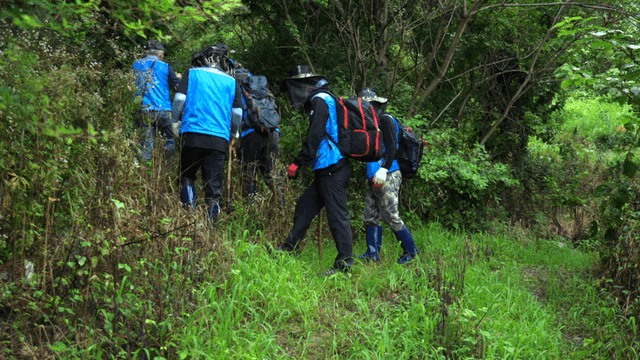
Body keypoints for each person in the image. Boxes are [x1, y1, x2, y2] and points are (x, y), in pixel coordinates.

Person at [277, 65, 354, 277]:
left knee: (337, 217)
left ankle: (344, 266)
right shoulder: (326, 99)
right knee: (305, 205)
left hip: (333, 167)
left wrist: (297, 163)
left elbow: (315, 135)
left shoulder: (320, 100)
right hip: (325, 169)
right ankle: (288, 249)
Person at [170, 45, 243, 223]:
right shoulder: (232, 82)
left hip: (192, 134)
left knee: (187, 176)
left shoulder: (192, 73)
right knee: (213, 187)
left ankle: (190, 217)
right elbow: (238, 114)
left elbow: (179, 99)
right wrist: (234, 133)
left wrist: (174, 122)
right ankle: (209, 228)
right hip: (219, 139)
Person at [356, 88, 420, 264]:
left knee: (391, 214)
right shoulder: (370, 123)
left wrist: (384, 169)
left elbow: (392, 147)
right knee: (370, 214)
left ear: (374, 104)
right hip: (373, 174)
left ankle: (411, 251)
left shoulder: (385, 119)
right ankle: (372, 253)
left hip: (389, 173)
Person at [234, 68, 283, 204]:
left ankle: (251, 206)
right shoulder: (263, 89)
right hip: (273, 132)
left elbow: (237, 113)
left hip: (251, 133)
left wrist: (235, 133)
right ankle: (282, 205)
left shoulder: (239, 88)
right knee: (271, 172)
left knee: (249, 171)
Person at [132, 39, 181, 162]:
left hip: (143, 109)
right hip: (162, 109)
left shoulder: (136, 65)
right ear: (160, 53)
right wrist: (178, 78)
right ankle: (168, 168)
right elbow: (177, 87)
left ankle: (144, 173)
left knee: (145, 143)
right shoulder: (166, 67)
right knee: (168, 141)